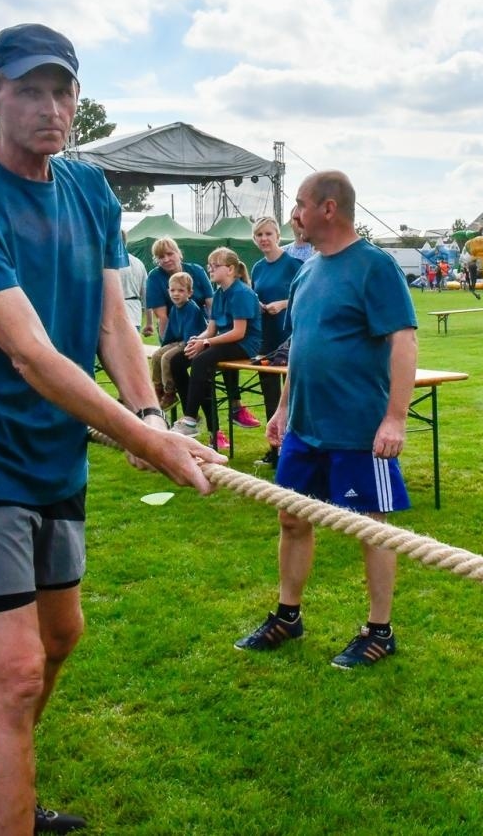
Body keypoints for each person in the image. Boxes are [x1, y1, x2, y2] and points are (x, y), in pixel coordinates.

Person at [0, 22, 219, 835]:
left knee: (58, 641)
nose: (50, 106)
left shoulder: (89, 191)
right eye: (29, 89)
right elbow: (33, 354)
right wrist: (150, 444)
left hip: (53, 458)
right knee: (11, 676)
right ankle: (3, 815)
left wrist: (148, 413)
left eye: (62, 90)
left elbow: (113, 321)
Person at [236, 171, 418, 669]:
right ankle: (287, 616)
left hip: (360, 429)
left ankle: (380, 630)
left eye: (299, 205)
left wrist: (395, 420)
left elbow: (404, 341)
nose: (294, 214)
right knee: (291, 517)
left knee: (371, 527)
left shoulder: (374, 267)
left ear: (329, 208)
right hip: (305, 428)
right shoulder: (307, 270)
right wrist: (281, 409)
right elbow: (301, 349)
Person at [169, 246, 259, 452]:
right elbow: (211, 329)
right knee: (177, 361)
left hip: (244, 345)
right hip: (225, 341)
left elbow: (239, 333)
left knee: (201, 360)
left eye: (214, 266)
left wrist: (207, 343)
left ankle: (190, 419)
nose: (209, 269)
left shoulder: (242, 292)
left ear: (229, 269)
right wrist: (197, 340)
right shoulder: (219, 293)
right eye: (209, 265)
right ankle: (191, 414)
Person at [249, 216, 303, 465]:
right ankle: (275, 451)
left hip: (292, 338)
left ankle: (297, 452)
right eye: (259, 235)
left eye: (268, 234)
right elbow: (252, 296)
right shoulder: (257, 267)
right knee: (271, 398)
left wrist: (283, 304)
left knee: (295, 397)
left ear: (278, 236)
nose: (264, 239)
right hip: (267, 339)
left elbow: (306, 299)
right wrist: (257, 306)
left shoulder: (295, 265)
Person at [151, 271, 208, 411]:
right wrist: (165, 345)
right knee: (156, 355)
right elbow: (171, 332)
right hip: (180, 340)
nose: (176, 294)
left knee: (167, 358)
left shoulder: (192, 308)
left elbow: (191, 335)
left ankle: (170, 393)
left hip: (192, 342)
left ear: (189, 292)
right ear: (168, 291)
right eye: (172, 290)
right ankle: (158, 390)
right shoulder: (175, 309)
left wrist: (176, 346)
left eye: (181, 290)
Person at [143, 238, 211, 337]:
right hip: (173, 328)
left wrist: (212, 330)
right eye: (161, 257)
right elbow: (162, 317)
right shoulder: (155, 277)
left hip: (201, 325)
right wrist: (166, 342)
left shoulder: (196, 270)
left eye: (170, 254)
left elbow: (211, 303)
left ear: (179, 253)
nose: (166, 259)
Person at [118, 230, 147, 332]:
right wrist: (149, 322)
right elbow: (146, 294)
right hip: (135, 314)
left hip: (117, 313)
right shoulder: (138, 263)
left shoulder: (108, 263)